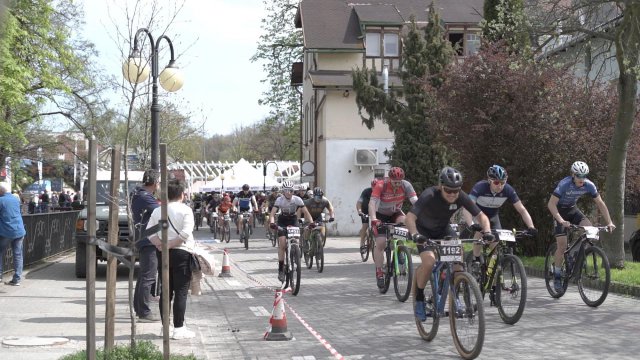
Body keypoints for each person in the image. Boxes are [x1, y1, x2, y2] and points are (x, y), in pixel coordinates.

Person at [405, 167, 493, 321]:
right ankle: (419, 298)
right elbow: (410, 217)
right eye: (448, 190)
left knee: (458, 263)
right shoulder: (430, 194)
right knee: (429, 261)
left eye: (456, 191)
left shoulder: (460, 196)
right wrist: (414, 234)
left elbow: (481, 216)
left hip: (443, 230)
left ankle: (452, 294)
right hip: (423, 231)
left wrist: (487, 232)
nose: (452, 194)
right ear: (441, 186)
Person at [547, 161, 615, 292]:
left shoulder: (589, 185)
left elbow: (600, 203)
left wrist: (609, 222)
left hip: (572, 210)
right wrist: (561, 221)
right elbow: (551, 204)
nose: (582, 179)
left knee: (590, 232)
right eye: (579, 176)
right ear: (573, 174)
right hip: (559, 211)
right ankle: (556, 275)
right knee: (561, 245)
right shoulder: (564, 184)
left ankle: (572, 255)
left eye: (584, 176)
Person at [146, 178, 196, 340]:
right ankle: (179, 328)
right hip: (182, 252)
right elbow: (185, 234)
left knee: (165, 291)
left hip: (163, 254)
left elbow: (149, 233)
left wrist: (161, 245)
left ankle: (165, 327)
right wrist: (171, 244)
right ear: (182, 194)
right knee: (181, 292)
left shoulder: (158, 211)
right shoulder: (185, 210)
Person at [462, 165, 536, 261]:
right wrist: (471, 224)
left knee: (495, 245)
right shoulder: (480, 187)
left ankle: (493, 270)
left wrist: (531, 226)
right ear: (489, 181)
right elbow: (467, 207)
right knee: (480, 231)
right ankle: (475, 259)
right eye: (496, 183)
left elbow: (522, 209)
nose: (500, 186)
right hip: (478, 215)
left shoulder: (508, 190)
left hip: (493, 216)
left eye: (502, 182)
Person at [368, 167, 418, 288]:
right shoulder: (381, 185)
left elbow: (416, 202)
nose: (397, 184)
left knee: (405, 223)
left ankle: (401, 248)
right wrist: (374, 219)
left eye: (399, 181)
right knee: (380, 243)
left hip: (395, 212)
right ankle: (379, 272)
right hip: (380, 215)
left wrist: (423, 215)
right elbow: (372, 203)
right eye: (395, 181)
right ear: (389, 179)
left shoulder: (406, 185)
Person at [269, 180, 314, 282]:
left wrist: (311, 222)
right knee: (282, 243)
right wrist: (272, 223)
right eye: (286, 190)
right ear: (283, 191)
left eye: (291, 190)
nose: (289, 192)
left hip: (293, 220)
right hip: (282, 220)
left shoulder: (297, 199)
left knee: (296, 241)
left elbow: (306, 212)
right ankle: (281, 268)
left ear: (293, 191)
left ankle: (295, 255)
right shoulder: (279, 200)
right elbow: (272, 214)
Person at [131, 169, 160, 322]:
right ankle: (144, 312)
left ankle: (139, 309)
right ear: (155, 183)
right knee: (148, 277)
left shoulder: (137, 194)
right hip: (149, 241)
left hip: (143, 239)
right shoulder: (146, 197)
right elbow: (161, 213)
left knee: (143, 276)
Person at [0, 182, 26, 286]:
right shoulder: (16, 199)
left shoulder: (1, 200)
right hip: (19, 230)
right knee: (18, 254)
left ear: (1, 190)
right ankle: (17, 279)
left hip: (6, 231)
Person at [356, 179, 379, 255]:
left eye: (376, 187)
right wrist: (359, 211)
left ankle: (374, 239)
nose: (374, 189)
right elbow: (359, 202)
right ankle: (362, 243)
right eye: (373, 187)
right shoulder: (366, 191)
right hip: (365, 209)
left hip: (375, 210)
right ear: (371, 186)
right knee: (365, 226)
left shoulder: (381, 191)